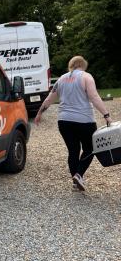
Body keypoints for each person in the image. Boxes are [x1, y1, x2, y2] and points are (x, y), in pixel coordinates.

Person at [35, 55, 112, 191]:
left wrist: (40, 113)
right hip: (84, 121)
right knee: (90, 148)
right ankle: (79, 174)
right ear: (83, 65)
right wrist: (106, 115)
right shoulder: (86, 77)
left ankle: (75, 182)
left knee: (73, 150)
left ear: (71, 65)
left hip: (64, 121)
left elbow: (49, 99)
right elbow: (94, 97)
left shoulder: (61, 79)